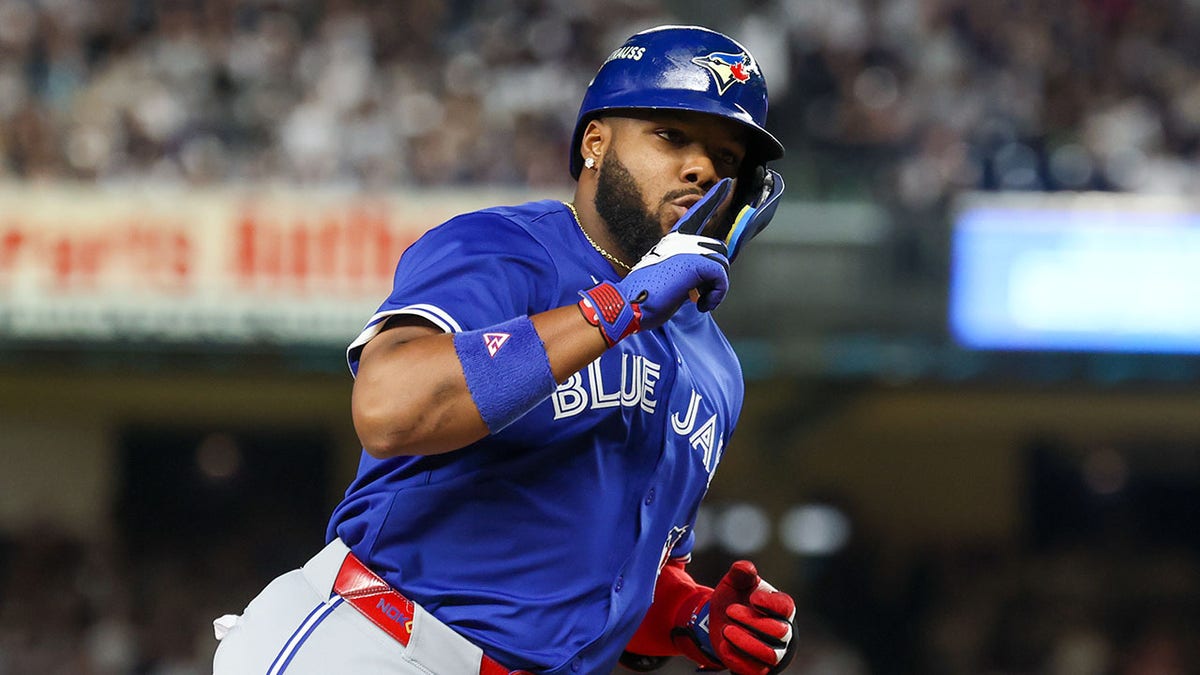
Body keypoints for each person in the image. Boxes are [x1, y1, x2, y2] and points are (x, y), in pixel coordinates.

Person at [212, 24, 795, 675]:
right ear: (595, 141)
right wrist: (617, 308)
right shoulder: (505, 249)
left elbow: (619, 577)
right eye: (672, 136)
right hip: (378, 642)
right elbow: (388, 410)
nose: (701, 168)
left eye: (727, 157)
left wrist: (692, 616)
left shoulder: (717, 370)